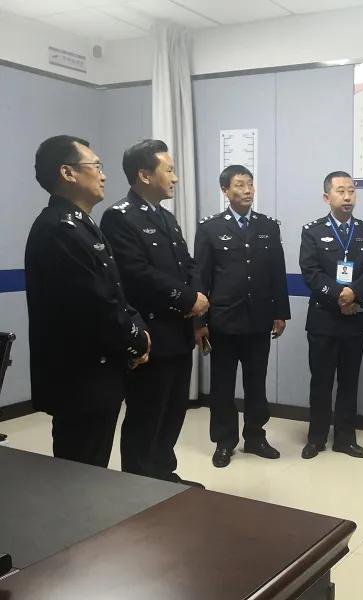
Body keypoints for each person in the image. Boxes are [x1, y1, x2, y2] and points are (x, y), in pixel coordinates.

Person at [25, 135, 150, 467]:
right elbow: (95, 306)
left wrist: (137, 330)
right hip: (80, 381)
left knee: (92, 469)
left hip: (98, 375)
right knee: (81, 472)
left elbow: (115, 292)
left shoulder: (81, 225)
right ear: (68, 173)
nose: (103, 175)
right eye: (96, 166)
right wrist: (135, 341)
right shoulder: (59, 229)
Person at [101, 139, 208, 486]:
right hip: (151, 334)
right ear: (145, 175)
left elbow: (187, 264)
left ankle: (163, 474)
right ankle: (140, 483)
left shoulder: (166, 217)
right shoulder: (119, 217)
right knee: (147, 412)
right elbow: (137, 273)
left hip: (179, 333)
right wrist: (188, 299)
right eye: (169, 170)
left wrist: (197, 298)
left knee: (173, 410)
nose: (175, 178)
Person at [194, 165, 290, 468]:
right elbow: (201, 278)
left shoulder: (268, 226)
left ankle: (255, 437)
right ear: (226, 190)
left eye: (250, 184)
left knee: (256, 383)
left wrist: (280, 313)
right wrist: (199, 322)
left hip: (259, 319)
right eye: (239, 185)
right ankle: (224, 442)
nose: (247, 190)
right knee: (222, 385)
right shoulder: (210, 228)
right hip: (223, 321)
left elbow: (277, 272)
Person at [299, 171, 363, 459]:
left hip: (355, 318)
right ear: (327, 197)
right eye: (341, 191)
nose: (347, 197)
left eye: (351, 191)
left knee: (349, 382)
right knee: (321, 381)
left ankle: (345, 439)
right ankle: (316, 438)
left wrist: (353, 293)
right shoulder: (312, 231)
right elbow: (310, 272)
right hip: (323, 318)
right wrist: (338, 295)